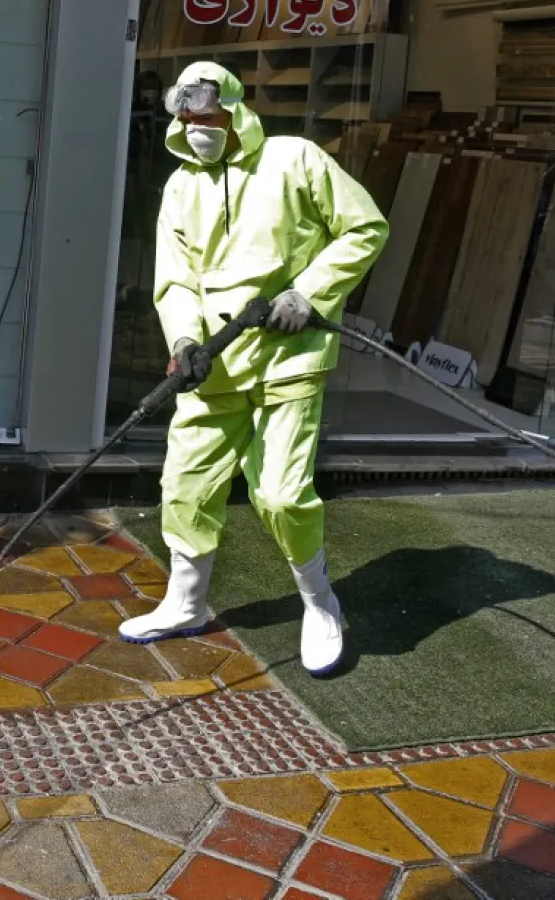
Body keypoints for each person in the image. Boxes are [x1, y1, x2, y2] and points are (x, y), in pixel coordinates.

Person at [118, 61, 389, 677]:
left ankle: (320, 602)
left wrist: (311, 294)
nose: (196, 129)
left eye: (206, 117)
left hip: (286, 357)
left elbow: (364, 227)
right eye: (185, 120)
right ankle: (185, 603)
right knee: (186, 482)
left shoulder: (295, 160)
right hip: (214, 362)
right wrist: (185, 338)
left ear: (234, 110)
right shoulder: (182, 187)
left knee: (281, 493)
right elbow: (176, 276)